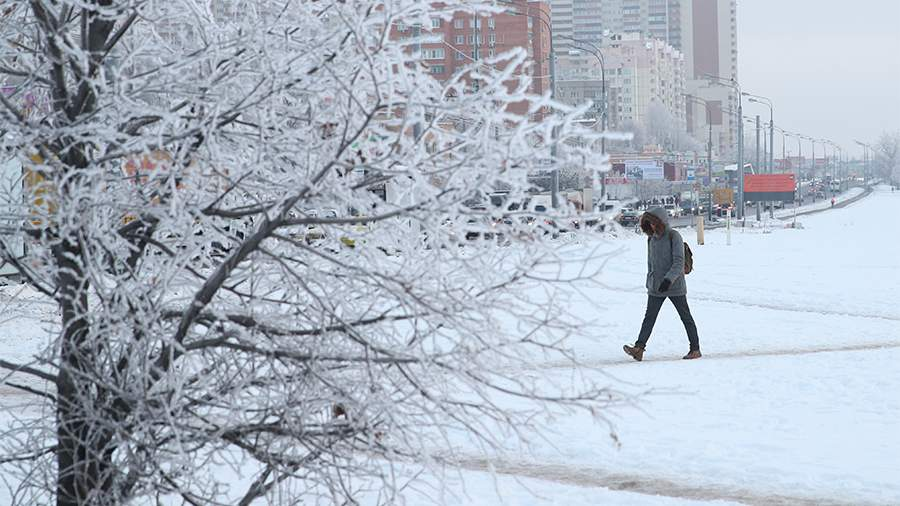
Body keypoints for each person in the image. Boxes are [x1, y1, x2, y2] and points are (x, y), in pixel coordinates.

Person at [624, 208, 701, 361]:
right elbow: (650, 263)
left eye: (653, 222)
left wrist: (668, 280)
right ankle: (639, 348)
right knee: (649, 318)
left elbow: (679, 262)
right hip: (655, 287)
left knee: (685, 317)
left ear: (660, 222)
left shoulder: (674, 236)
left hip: (675, 286)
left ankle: (695, 349)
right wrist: (649, 281)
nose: (651, 226)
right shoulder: (651, 238)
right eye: (649, 223)